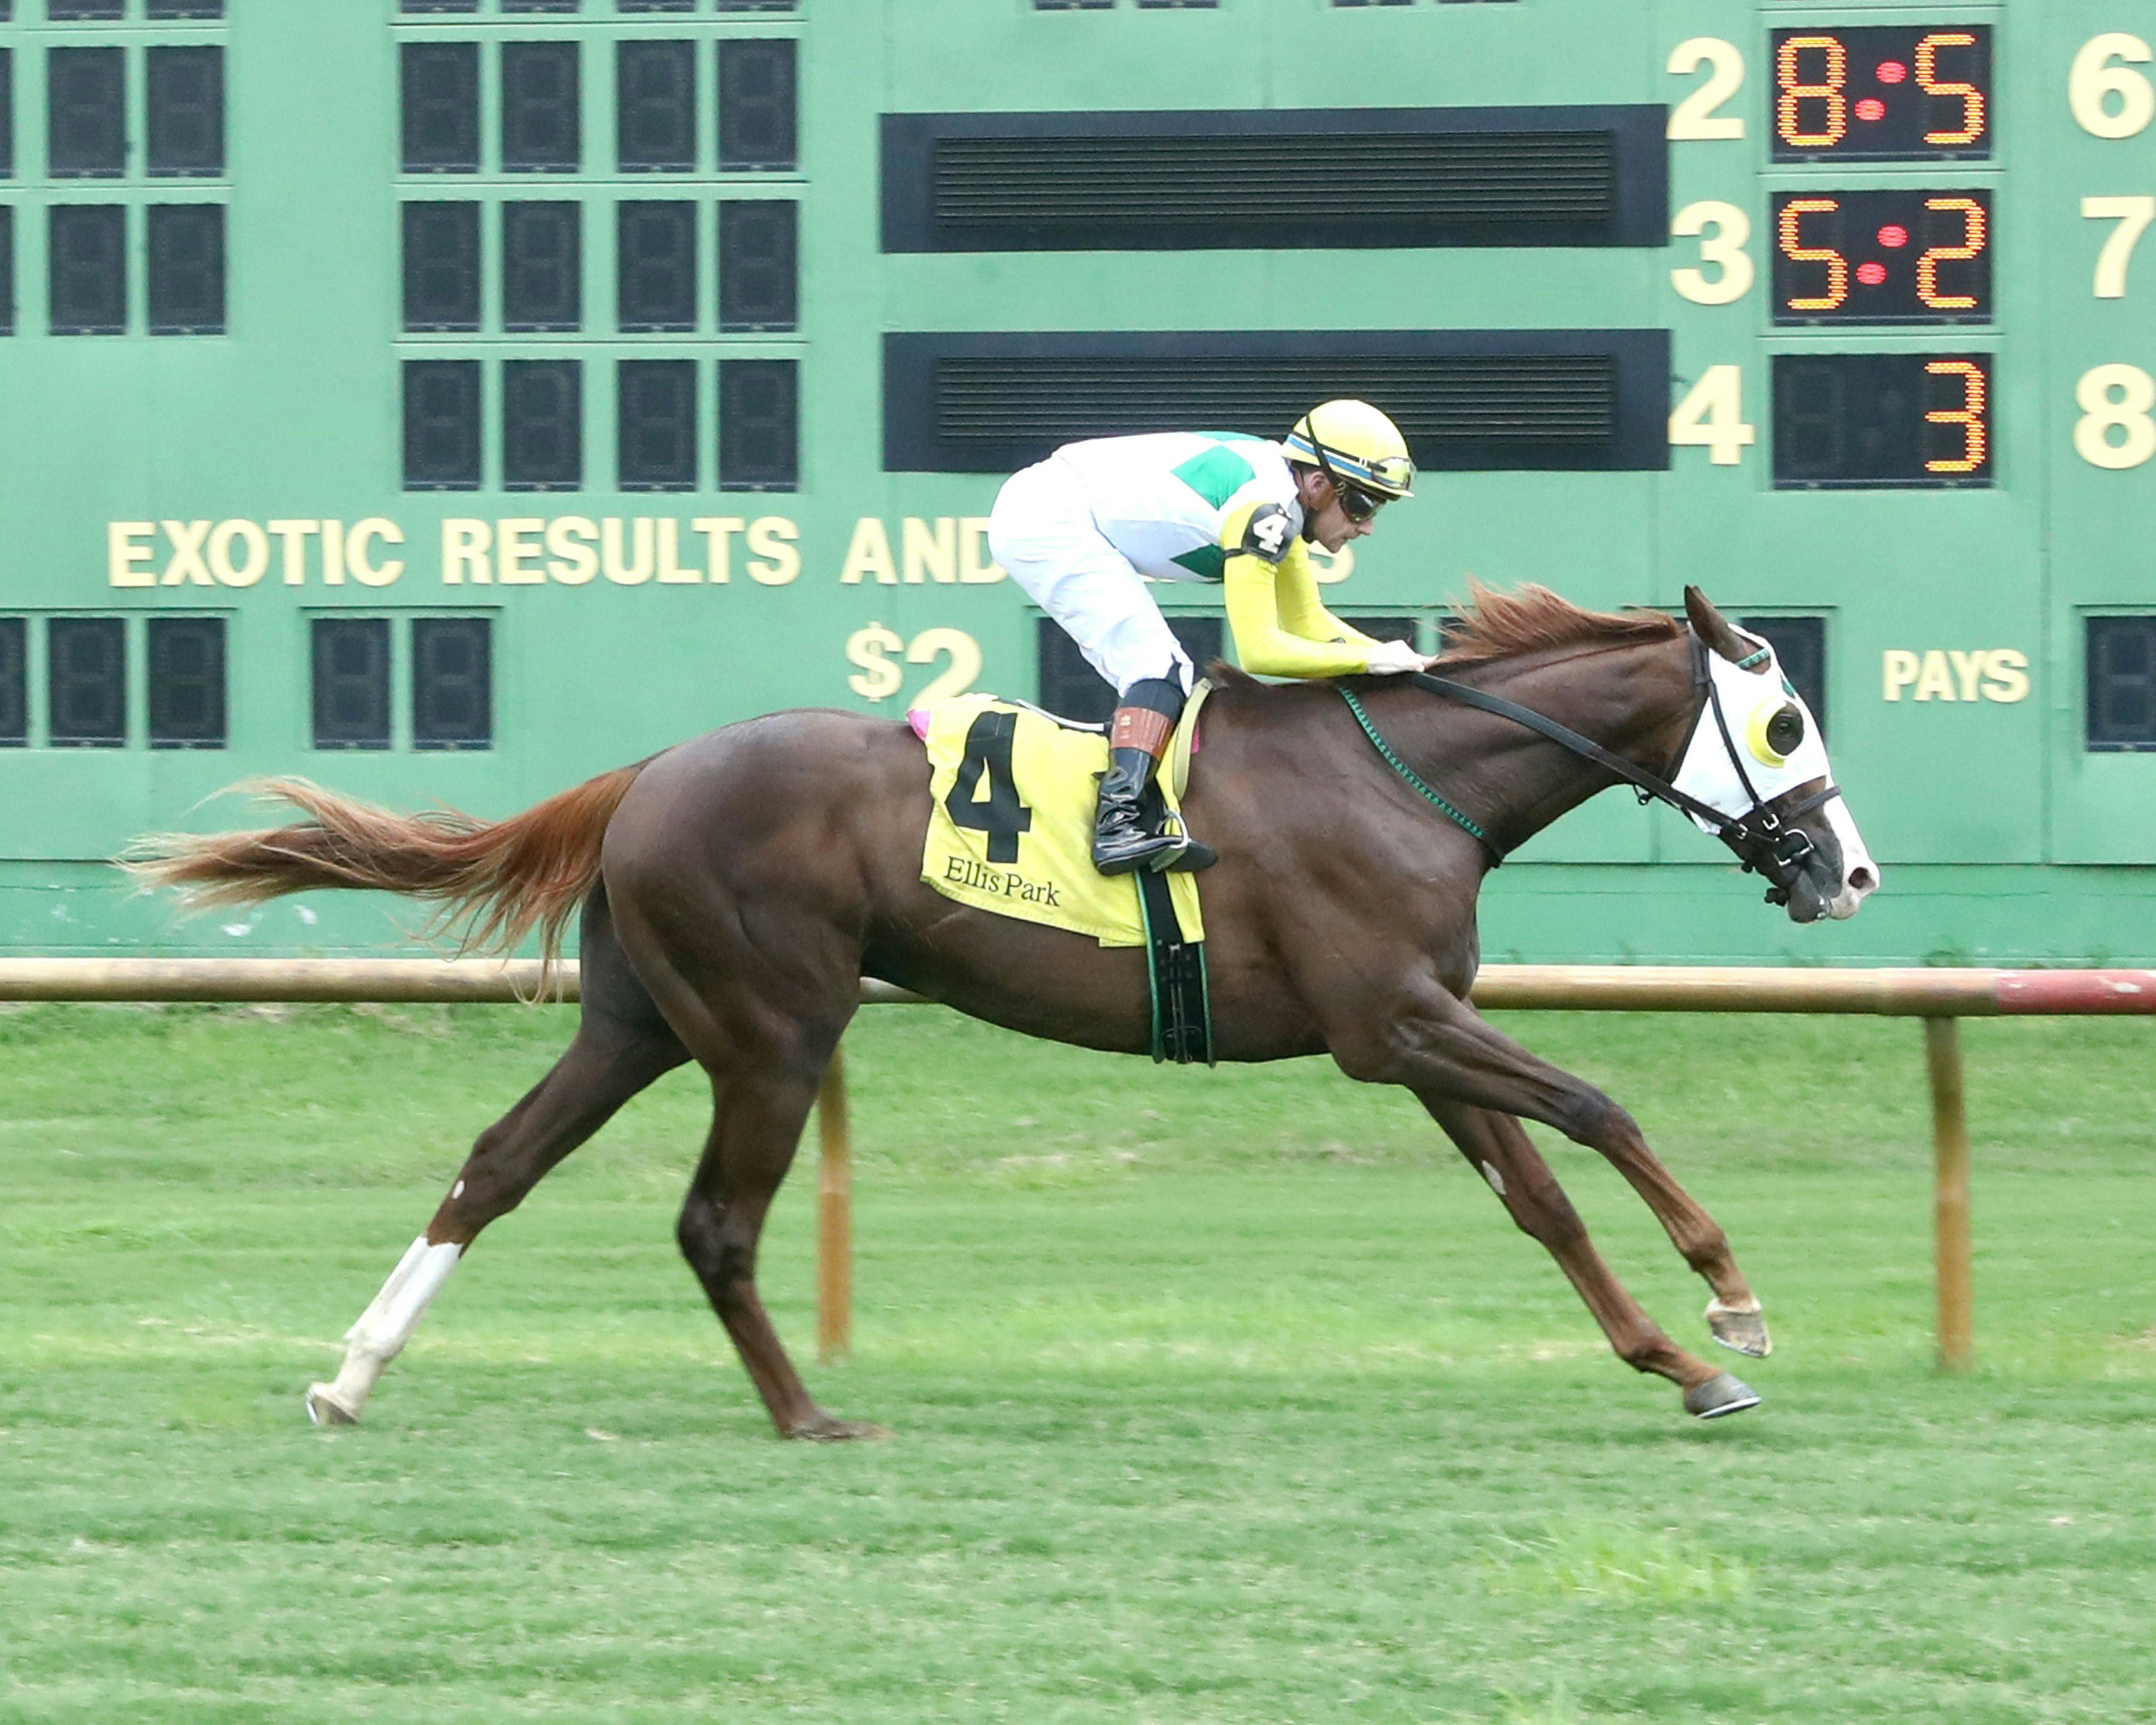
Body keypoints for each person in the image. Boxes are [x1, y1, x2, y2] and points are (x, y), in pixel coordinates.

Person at [988, 400, 1430, 876]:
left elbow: (1307, 623)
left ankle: (1131, 813)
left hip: (1048, 500)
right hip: (1046, 518)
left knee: (1164, 667)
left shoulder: (1285, 498)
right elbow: (1260, 651)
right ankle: (1118, 825)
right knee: (1158, 668)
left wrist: (1392, 657)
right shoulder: (1267, 512)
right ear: (1320, 485)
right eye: (1362, 503)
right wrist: (1367, 663)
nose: (1367, 525)